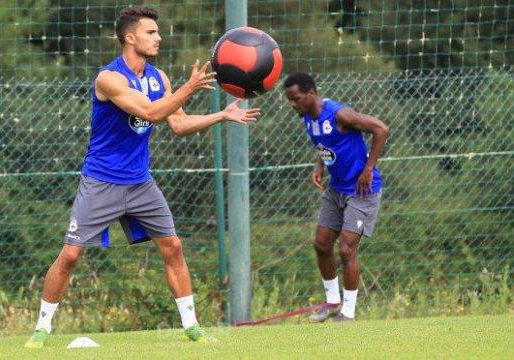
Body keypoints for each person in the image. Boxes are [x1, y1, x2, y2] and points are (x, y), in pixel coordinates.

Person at [23, 6, 260, 348]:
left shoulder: (159, 78)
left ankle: (192, 326)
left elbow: (177, 124)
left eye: (158, 32)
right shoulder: (109, 79)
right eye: (151, 32)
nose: (158, 37)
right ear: (130, 37)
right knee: (72, 254)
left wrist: (221, 115)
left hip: (140, 182)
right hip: (101, 180)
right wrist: (189, 88)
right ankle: (42, 328)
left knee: (173, 246)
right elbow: (150, 112)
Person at [283, 72, 389, 322]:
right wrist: (319, 165)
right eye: (289, 100)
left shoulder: (341, 114)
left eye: (296, 99)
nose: (292, 104)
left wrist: (368, 168)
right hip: (337, 188)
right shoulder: (308, 116)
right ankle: (332, 302)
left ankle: (348, 314)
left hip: (362, 190)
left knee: (346, 248)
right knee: (321, 244)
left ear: (311, 93)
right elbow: (325, 142)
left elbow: (381, 129)